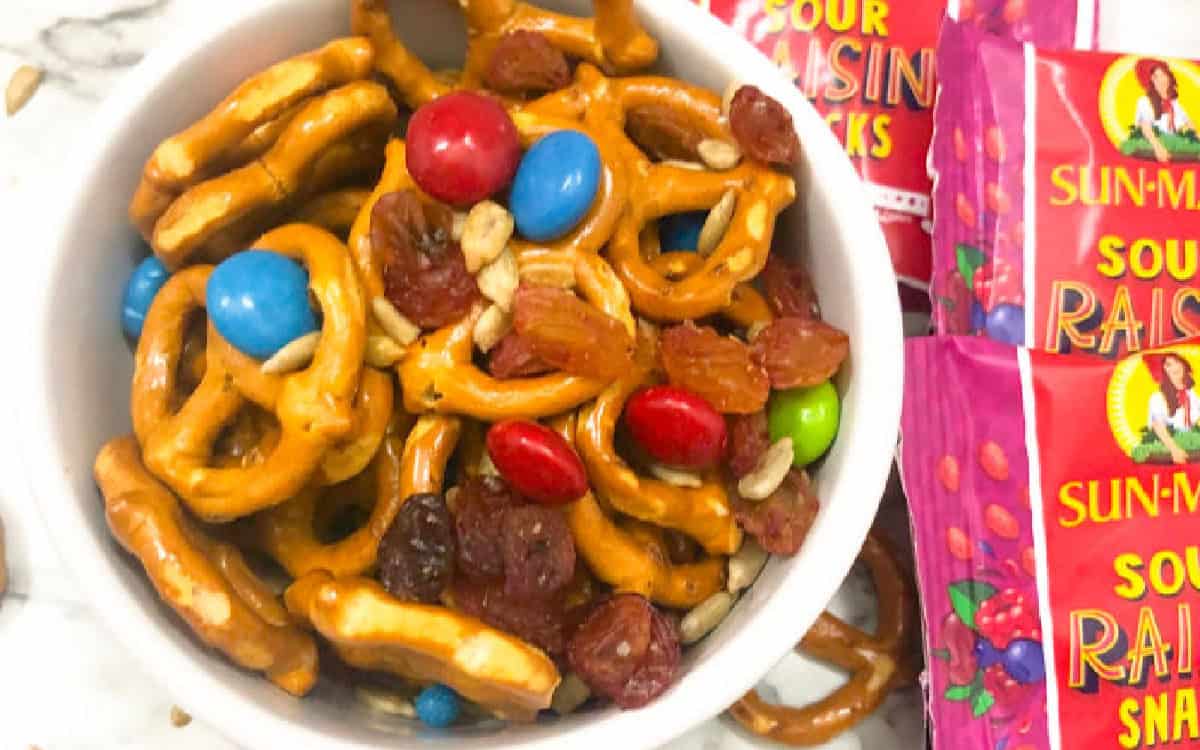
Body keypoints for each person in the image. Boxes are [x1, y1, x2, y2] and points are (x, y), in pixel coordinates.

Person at [1134, 58, 1193, 163]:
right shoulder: (1144, 101)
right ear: (1152, 81)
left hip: (1172, 144)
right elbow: (1145, 127)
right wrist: (1158, 148)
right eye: (1157, 77)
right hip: (1150, 144)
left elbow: (1188, 124)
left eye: (1164, 75)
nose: (1162, 80)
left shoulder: (1174, 103)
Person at [1146, 352, 1200, 464]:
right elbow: (1158, 426)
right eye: (1168, 365)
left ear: (1184, 365)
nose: (1175, 367)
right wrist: (1174, 449)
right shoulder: (1158, 398)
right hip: (1168, 448)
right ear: (1163, 371)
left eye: (1177, 362)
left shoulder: (1191, 394)